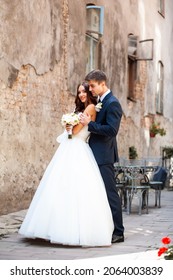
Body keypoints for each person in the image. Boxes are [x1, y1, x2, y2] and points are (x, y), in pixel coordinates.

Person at [19, 82, 114, 247]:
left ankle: (75, 231)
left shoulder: (91, 108)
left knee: (76, 189)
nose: (82, 95)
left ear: (89, 93)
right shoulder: (79, 109)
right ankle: (51, 228)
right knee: (59, 187)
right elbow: (71, 133)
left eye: (84, 91)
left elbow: (76, 132)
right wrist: (69, 123)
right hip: (69, 148)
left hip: (79, 149)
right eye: (79, 92)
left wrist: (68, 125)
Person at [80, 70, 124, 243]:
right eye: (89, 85)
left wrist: (90, 125)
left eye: (92, 85)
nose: (90, 89)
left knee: (110, 193)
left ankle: (119, 232)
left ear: (102, 84)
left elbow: (112, 131)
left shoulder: (113, 103)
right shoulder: (100, 101)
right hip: (94, 154)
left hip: (104, 156)